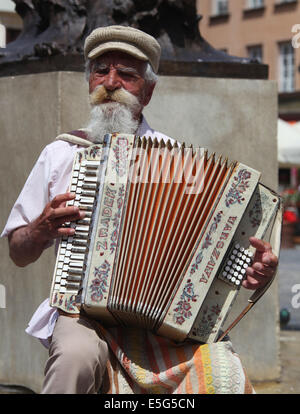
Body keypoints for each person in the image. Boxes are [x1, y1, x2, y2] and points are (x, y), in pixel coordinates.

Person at [1, 25, 278, 395]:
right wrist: (39, 230)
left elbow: (220, 250)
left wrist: (255, 269)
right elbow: (18, 252)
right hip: (81, 313)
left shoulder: (180, 161)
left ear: (147, 92)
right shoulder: (61, 153)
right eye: (101, 70)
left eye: (126, 75)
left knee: (222, 369)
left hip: (163, 324)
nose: (110, 82)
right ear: (89, 82)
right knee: (74, 357)